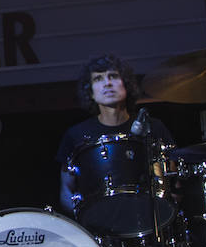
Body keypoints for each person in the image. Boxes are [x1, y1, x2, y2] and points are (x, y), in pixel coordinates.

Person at [56, 52, 174, 222]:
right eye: (98, 79)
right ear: (90, 92)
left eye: (113, 76)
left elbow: (171, 179)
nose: (108, 83)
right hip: (99, 227)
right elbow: (66, 191)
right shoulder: (76, 135)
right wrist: (85, 219)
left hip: (148, 219)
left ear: (126, 84)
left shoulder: (154, 127)